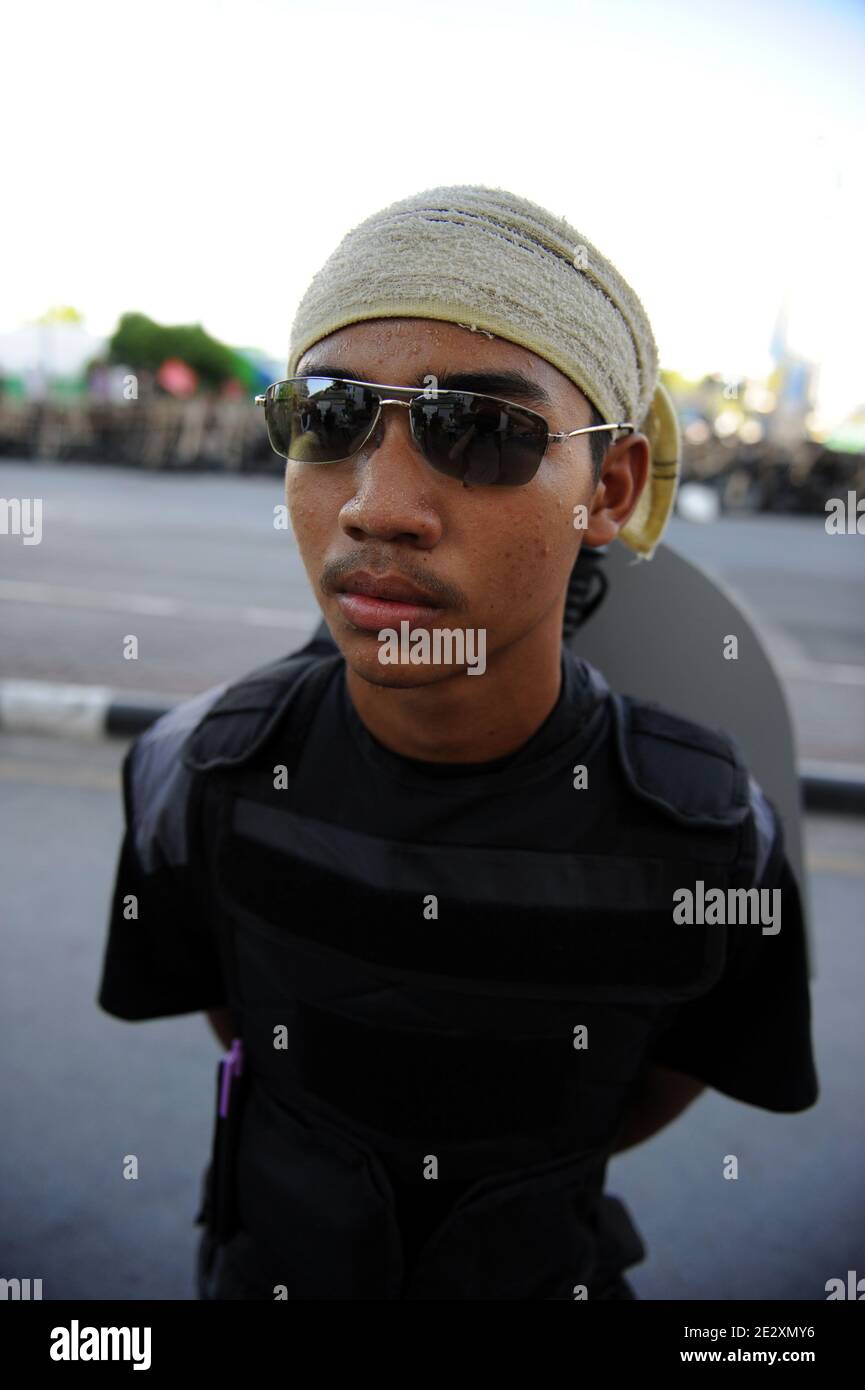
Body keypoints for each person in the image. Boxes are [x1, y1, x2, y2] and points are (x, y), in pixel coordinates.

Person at [97, 185, 818, 1301]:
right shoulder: (194, 771)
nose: (378, 506)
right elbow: (251, 1029)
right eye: (329, 417)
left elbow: (659, 1082)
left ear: (609, 490)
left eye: (482, 433)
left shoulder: (712, 835)